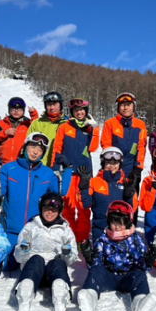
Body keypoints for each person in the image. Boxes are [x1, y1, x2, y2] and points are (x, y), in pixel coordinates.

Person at [0, 132, 59, 271]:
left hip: (35, 234)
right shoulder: (9, 168)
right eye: (32, 147)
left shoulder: (47, 173)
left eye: (40, 150)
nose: (35, 152)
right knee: (5, 266)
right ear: (25, 147)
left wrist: (65, 171)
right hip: (11, 231)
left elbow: (59, 194)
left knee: (34, 267)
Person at [76, 201, 156, 311]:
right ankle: (90, 295)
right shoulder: (103, 239)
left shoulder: (135, 240)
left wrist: (148, 260)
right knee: (95, 271)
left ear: (128, 223)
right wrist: (89, 256)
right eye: (114, 222)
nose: (117, 226)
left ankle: (139, 300)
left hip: (128, 279)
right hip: (108, 277)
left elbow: (142, 264)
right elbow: (95, 263)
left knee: (140, 274)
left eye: (121, 223)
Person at [13, 193, 78, 311]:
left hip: (53, 273)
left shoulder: (65, 230)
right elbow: (18, 257)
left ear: (59, 211)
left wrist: (67, 254)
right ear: (41, 209)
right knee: (36, 259)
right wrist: (23, 250)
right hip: (34, 271)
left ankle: (61, 294)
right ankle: (25, 293)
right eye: (46, 209)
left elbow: (72, 258)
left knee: (58, 262)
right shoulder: (31, 227)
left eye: (54, 210)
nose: (49, 213)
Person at [52, 98, 100, 240]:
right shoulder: (64, 127)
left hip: (84, 173)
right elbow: (57, 147)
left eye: (82, 110)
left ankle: (82, 238)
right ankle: (70, 237)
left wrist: (95, 129)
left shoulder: (90, 128)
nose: (79, 112)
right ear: (72, 112)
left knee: (84, 206)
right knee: (68, 206)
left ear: (86, 111)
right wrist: (57, 164)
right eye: (76, 110)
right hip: (68, 172)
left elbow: (93, 147)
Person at [78, 146, 137, 245]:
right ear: (103, 163)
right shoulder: (95, 182)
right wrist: (84, 188)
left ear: (120, 164)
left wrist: (129, 195)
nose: (112, 166)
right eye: (108, 163)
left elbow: (132, 208)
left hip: (121, 229)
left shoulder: (125, 182)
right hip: (100, 229)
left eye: (115, 163)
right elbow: (85, 204)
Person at [100, 92, 148, 193]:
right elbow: (106, 145)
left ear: (133, 107)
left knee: (131, 198)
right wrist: (109, 165)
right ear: (118, 108)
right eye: (122, 105)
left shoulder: (140, 125)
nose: (125, 108)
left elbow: (141, 148)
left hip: (132, 169)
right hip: (114, 167)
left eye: (128, 105)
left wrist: (138, 169)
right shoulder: (110, 123)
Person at [0, 97, 39, 164]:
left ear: (23, 111)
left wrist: (34, 114)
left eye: (19, 109)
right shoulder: (0, 124)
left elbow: (37, 127)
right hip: (3, 163)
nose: (16, 111)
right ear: (9, 110)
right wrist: (4, 133)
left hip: (21, 163)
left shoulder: (27, 124)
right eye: (13, 109)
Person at [26, 91, 67, 166]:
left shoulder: (66, 124)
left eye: (55, 104)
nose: (52, 107)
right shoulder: (37, 123)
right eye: (49, 105)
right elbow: (27, 145)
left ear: (60, 105)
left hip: (58, 165)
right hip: (39, 165)